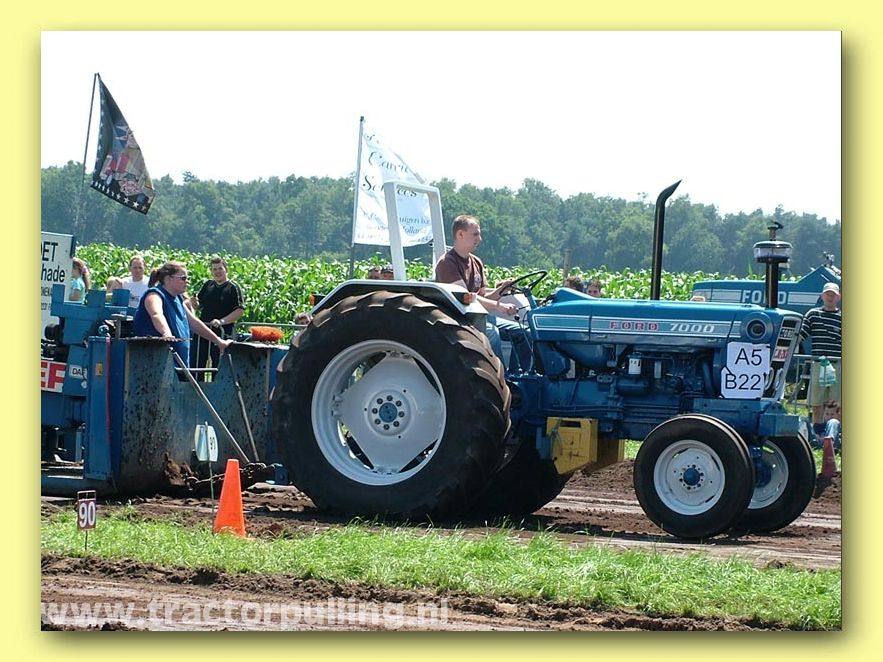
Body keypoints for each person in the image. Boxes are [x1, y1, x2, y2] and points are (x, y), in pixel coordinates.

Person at [434, 214, 519, 362]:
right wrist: (498, 306)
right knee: (492, 333)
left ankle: (521, 374)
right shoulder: (447, 263)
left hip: (479, 316)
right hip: (459, 319)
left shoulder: (476, 262)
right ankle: (500, 375)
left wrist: (502, 290)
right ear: (460, 234)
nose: (479, 239)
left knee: (523, 332)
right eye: (475, 234)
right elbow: (466, 297)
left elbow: (482, 298)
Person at [132, 261, 231, 366]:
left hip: (178, 366)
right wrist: (166, 333)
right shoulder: (154, 295)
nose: (186, 282)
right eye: (183, 278)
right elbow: (156, 314)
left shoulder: (178, 299)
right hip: (153, 365)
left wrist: (219, 342)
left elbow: (194, 323)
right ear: (168, 279)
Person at [190, 256, 245, 380]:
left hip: (222, 334)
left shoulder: (233, 288)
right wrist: (194, 303)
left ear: (226, 269)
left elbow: (239, 311)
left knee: (219, 368)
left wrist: (221, 321)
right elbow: (198, 305)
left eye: (220, 268)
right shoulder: (207, 285)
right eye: (214, 269)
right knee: (197, 365)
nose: (217, 272)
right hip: (203, 332)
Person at [799, 282, 841, 438]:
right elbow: (801, 335)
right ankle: (817, 436)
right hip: (819, 363)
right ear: (822, 296)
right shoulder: (813, 315)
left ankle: (835, 435)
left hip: (837, 364)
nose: (830, 297)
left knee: (836, 404)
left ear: (838, 297)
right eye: (827, 294)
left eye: (833, 295)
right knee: (816, 403)